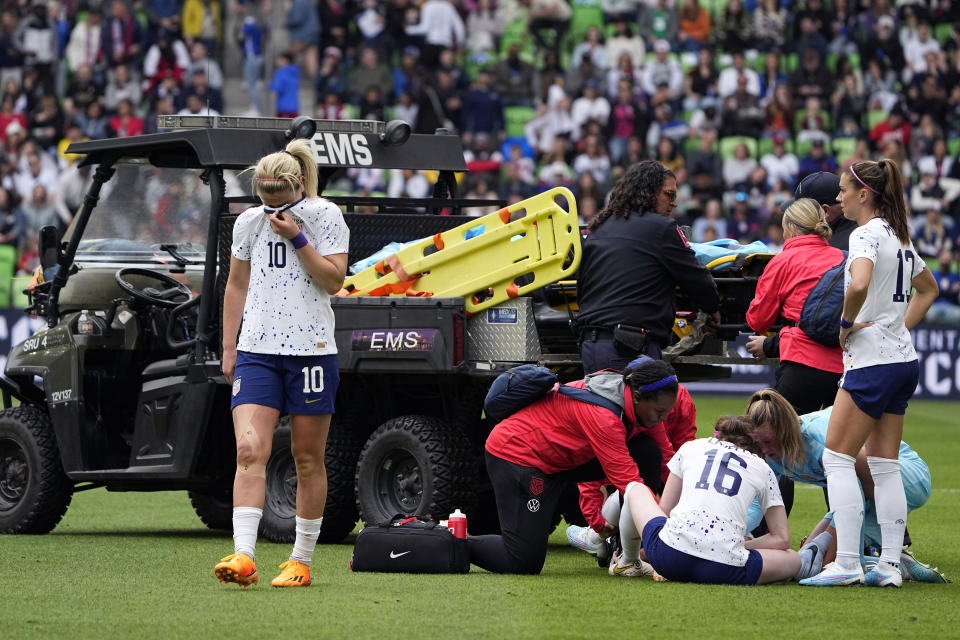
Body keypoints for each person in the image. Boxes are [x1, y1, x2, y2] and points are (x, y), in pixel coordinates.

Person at [214, 139, 349, 588]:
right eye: (265, 202)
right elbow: (236, 285)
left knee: (307, 459)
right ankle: (244, 556)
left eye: (280, 202)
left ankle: (301, 560)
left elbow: (333, 280)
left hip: (311, 350)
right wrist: (230, 347)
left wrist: (297, 236)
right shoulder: (248, 222)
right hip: (257, 351)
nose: (272, 211)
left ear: (297, 188)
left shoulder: (326, 216)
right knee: (249, 450)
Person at [800, 159, 939, 588]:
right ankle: (889, 566)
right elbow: (929, 288)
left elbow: (857, 284)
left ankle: (846, 563)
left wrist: (845, 325)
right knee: (884, 465)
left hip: (872, 363)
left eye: (843, 190)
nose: (837, 197)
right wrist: (897, 326)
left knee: (837, 458)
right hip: (903, 362)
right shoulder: (900, 236)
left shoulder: (864, 235)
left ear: (864, 194)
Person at [467, 359, 682, 575]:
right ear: (637, 397)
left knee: (647, 451)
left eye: (667, 414)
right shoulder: (605, 417)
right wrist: (664, 537)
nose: (662, 419)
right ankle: (451, 538)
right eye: (660, 412)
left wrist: (689, 514)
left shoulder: (640, 407)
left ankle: (627, 558)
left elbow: (668, 463)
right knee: (521, 561)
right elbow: (629, 484)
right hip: (518, 457)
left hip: (562, 461)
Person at [743, 389, 946, 584]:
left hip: (906, 477)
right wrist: (732, 533)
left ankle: (856, 564)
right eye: (759, 442)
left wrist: (846, 560)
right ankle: (897, 562)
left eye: (769, 441)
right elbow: (757, 503)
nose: (765, 449)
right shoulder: (770, 453)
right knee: (803, 563)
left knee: (848, 460)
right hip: (868, 494)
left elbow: (854, 490)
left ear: (785, 431)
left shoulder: (815, 438)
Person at [616, 415, 818, 584]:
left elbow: (665, 512)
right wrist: (738, 544)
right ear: (754, 446)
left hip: (668, 558)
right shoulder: (762, 466)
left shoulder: (691, 447)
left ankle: (628, 561)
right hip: (725, 568)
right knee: (793, 559)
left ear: (719, 435)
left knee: (635, 487)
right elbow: (781, 539)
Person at [576, 160, 720, 371]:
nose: (674, 203)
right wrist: (712, 308)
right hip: (631, 347)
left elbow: (582, 286)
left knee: (605, 405)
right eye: (669, 195)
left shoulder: (599, 228)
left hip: (591, 344)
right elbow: (699, 281)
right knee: (654, 404)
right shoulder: (662, 228)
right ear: (648, 192)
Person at [564, 382, 697, 572]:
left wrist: (684, 505)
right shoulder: (609, 408)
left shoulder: (673, 402)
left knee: (645, 465)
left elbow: (677, 455)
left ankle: (616, 550)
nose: (665, 416)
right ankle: (619, 552)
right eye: (661, 410)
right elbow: (589, 465)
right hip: (617, 474)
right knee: (639, 473)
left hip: (641, 475)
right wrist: (596, 520)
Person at [745, 198, 844, 414]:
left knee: (778, 441)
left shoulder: (782, 261)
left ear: (790, 228)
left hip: (801, 361)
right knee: (837, 446)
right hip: (845, 367)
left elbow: (758, 320)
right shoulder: (843, 258)